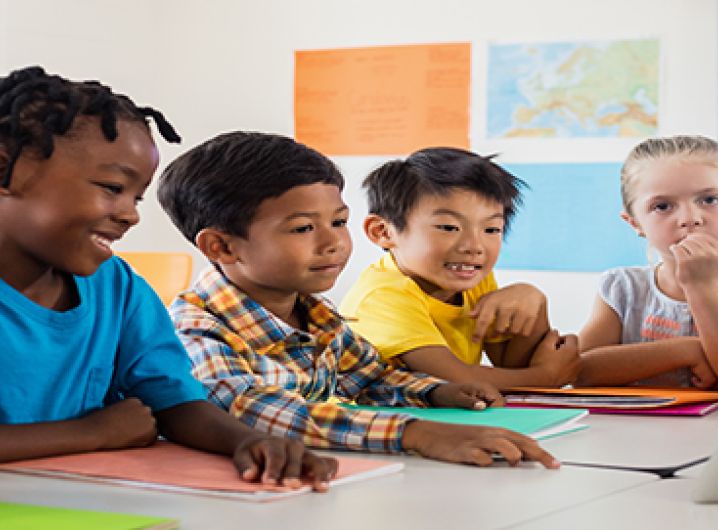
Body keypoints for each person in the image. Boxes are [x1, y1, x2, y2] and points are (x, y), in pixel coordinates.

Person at [0, 66, 336, 491]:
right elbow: (119, 426)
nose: (130, 214)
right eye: (110, 187)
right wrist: (92, 432)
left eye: (136, 196)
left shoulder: (115, 286)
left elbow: (173, 401)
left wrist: (248, 441)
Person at [157, 132, 559, 468]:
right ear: (222, 246)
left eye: (338, 222)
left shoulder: (317, 315)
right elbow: (252, 410)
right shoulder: (195, 329)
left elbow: (369, 378)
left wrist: (433, 392)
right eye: (302, 228)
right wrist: (415, 432)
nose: (333, 243)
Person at [339, 147, 579, 391]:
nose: (474, 247)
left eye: (491, 229)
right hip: (373, 424)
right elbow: (458, 380)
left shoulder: (469, 278)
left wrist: (532, 300)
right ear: (383, 232)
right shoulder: (382, 296)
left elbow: (513, 366)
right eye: (448, 227)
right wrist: (547, 377)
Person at [577, 135, 718, 390]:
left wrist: (702, 286)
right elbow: (578, 370)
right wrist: (685, 350)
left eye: (709, 200)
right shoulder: (623, 287)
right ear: (635, 223)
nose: (690, 218)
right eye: (663, 206)